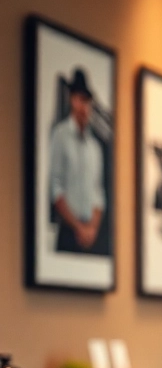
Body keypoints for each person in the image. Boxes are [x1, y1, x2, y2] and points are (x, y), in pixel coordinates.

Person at [49, 68, 106, 254]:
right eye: (80, 100)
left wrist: (92, 228)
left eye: (87, 101)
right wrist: (77, 226)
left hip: (91, 234)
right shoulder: (60, 135)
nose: (84, 107)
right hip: (68, 228)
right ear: (72, 100)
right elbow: (56, 188)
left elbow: (98, 193)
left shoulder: (95, 147)